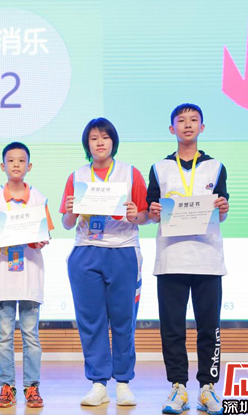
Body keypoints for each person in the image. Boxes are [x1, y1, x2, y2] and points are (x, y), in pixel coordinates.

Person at [59, 117, 149, 407]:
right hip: (86, 251)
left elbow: (145, 216)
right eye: (94, 138)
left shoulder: (130, 173)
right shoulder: (77, 176)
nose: (100, 142)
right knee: (91, 321)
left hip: (123, 250)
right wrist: (71, 212)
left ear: (113, 142)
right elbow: (66, 223)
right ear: (87, 144)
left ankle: (123, 382)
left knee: (124, 319)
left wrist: (136, 215)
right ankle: (98, 383)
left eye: (105, 137)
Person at [147, 103, 229, 415]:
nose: (188, 124)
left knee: (210, 328)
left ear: (202, 127)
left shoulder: (216, 167)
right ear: (172, 129)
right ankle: (178, 387)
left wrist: (223, 208)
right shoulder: (159, 168)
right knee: (172, 329)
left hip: (208, 259)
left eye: (194, 120)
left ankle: (207, 388)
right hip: (171, 259)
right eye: (181, 120)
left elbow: (223, 209)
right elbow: (152, 211)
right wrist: (154, 211)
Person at [0, 142, 54, 409]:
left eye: (21, 161)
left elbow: (46, 233)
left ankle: (32, 387)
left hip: (29, 278)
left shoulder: (39, 198)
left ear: (29, 166)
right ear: (2, 166)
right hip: (3, 278)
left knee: (30, 335)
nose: (15, 165)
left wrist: (40, 240)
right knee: (4, 336)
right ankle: (7, 386)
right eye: (10, 160)